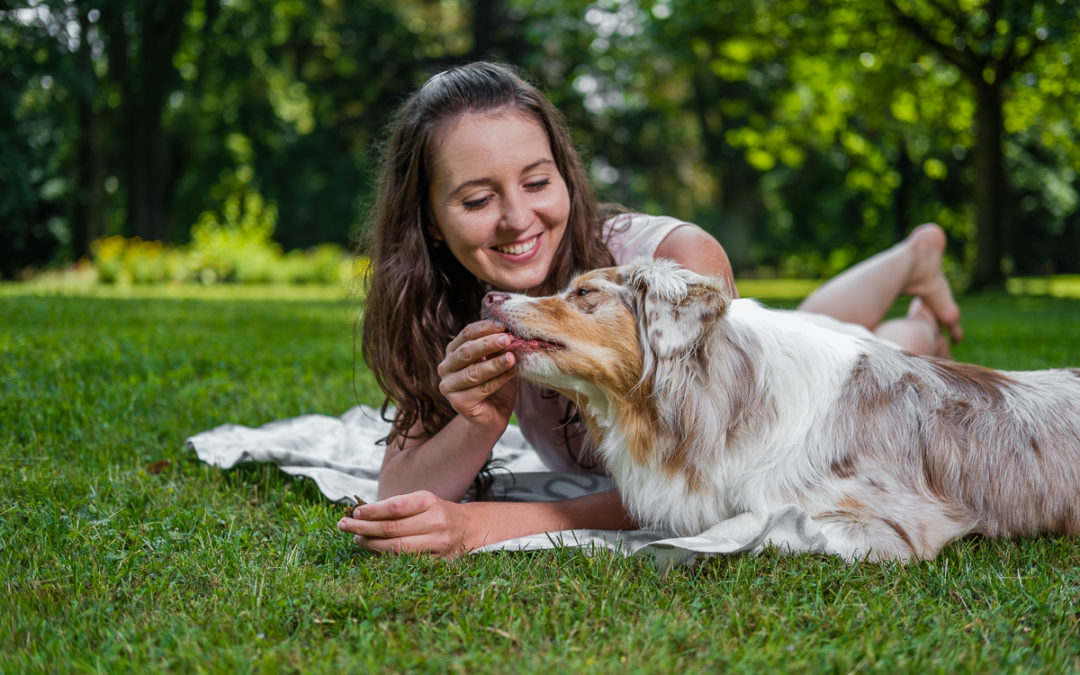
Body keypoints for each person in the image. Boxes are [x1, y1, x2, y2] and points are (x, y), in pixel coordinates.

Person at [338, 61, 963, 558]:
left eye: (536, 183)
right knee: (819, 323)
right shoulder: (445, 303)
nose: (517, 218)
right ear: (433, 224)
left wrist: (482, 524)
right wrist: (481, 418)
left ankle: (915, 290)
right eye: (477, 199)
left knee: (871, 347)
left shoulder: (674, 268)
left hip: (816, 388)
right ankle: (912, 261)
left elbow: (710, 485)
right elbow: (400, 494)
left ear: (566, 177)